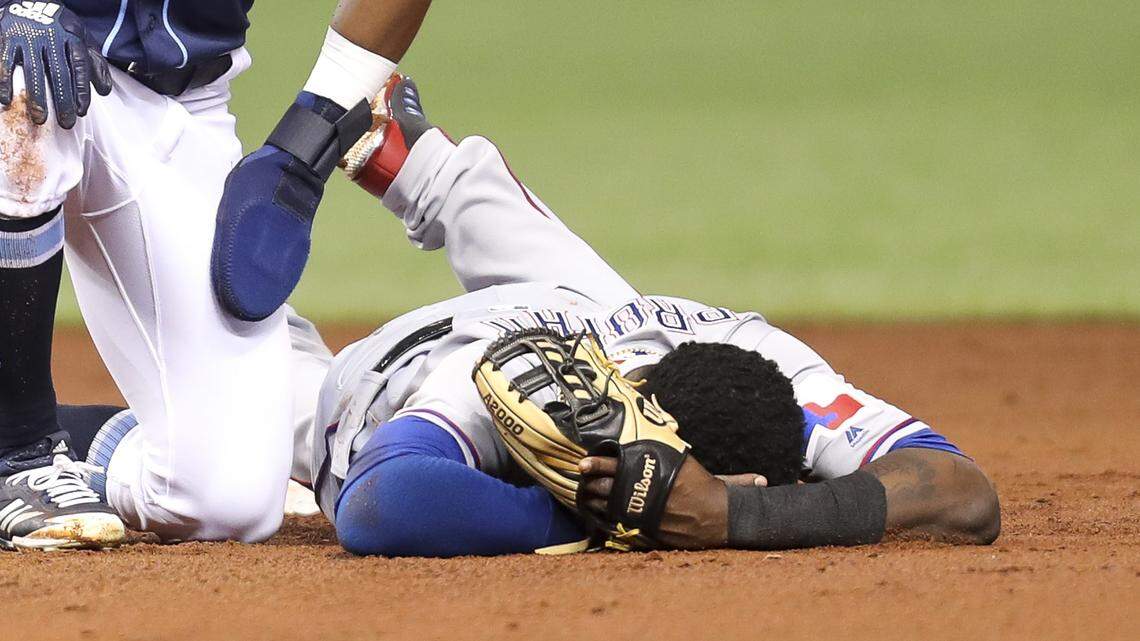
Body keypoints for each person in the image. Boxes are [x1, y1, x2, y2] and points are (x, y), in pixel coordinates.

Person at [231, 74, 999, 555]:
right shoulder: (521, 388)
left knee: (600, 300)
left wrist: (736, 515)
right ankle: (136, 425)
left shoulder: (754, 354)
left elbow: (965, 491)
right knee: (245, 415)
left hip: (581, 310)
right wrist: (602, 517)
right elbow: (380, 503)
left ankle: (427, 167)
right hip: (386, 378)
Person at [0, 0, 430, 549]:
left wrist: (312, 129)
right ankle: (19, 451)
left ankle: (90, 448)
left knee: (227, 504)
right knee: (20, 68)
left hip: (186, 107)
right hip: (30, 57)